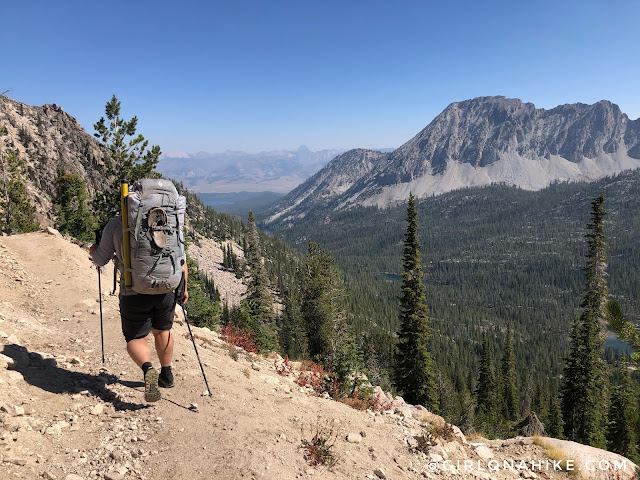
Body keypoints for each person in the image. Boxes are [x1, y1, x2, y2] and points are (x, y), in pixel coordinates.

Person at [90, 216, 188, 403]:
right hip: (165, 288)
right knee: (163, 331)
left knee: (136, 337)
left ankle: (148, 369)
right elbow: (181, 260)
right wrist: (183, 288)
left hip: (133, 290)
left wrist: (93, 249)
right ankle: (166, 374)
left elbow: (100, 260)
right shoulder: (168, 222)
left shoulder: (117, 224)